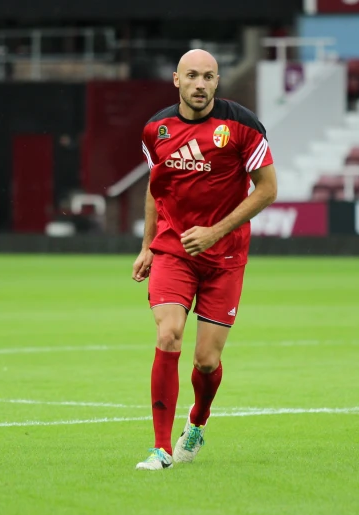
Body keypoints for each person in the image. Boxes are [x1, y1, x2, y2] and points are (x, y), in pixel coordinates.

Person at [132, 49, 277, 470]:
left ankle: (196, 422)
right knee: (169, 333)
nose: (200, 84)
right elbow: (156, 189)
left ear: (217, 82)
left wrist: (215, 232)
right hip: (173, 249)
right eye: (192, 76)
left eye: (208, 77)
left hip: (225, 256)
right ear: (176, 79)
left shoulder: (242, 126)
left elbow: (267, 190)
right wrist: (146, 245)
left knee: (206, 360)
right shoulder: (155, 130)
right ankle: (160, 448)